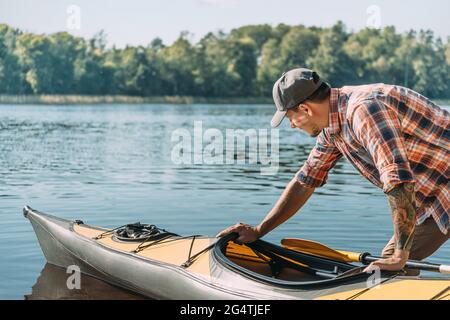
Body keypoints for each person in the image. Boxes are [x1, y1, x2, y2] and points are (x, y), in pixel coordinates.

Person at [217, 68, 449, 273]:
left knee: (396, 261)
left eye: (290, 118)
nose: (292, 125)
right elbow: (305, 181)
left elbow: (398, 181)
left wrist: (400, 255)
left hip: (440, 189)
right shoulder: (333, 127)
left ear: (305, 109)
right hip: (434, 198)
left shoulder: (364, 111)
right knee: (389, 270)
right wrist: (259, 230)